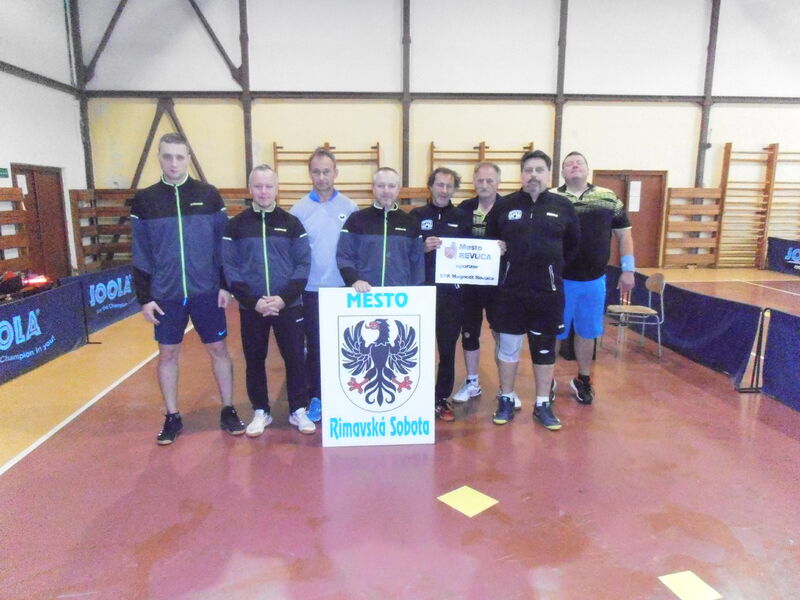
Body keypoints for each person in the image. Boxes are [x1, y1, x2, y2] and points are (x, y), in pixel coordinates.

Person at [131, 132, 244, 445]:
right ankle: (172, 415)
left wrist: (225, 285)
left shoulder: (208, 195)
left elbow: (223, 243)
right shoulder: (145, 200)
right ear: (159, 158)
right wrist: (144, 298)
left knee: (218, 349)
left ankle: (228, 408)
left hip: (206, 290)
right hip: (166, 294)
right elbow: (140, 251)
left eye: (179, 157)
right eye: (167, 156)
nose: (173, 163)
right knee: (168, 354)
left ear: (188, 159)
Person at [485, 150, 580, 431]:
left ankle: (542, 404)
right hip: (510, 294)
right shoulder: (504, 206)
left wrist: (550, 268)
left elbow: (572, 247)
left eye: (539, 170)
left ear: (548, 174)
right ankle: (506, 398)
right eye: (528, 170)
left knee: (544, 351)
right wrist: (497, 250)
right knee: (508, 349)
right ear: (521, 175)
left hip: (547, 294)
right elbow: (490, 243)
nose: (533, 175)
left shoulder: (563, 207)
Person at [222, 164, 315, 435]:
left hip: (288, 305)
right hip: (253, 307)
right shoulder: (235, 226)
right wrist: (254, 301)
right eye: (258, 186)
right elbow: (231, 268)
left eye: (268, 186)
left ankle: (298, 410)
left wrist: (283, 299)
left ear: (277, 189)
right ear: (250, 189)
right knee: (254, 359)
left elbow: (303, 265)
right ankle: (261, 411)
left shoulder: (292, 224)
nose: (263, 192)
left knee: (295, 358)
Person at [552, 151, 635, 405]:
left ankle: (584, 379)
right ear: (563, 172)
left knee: (587, 333)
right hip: (559, 280)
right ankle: (548, 380)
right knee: (553, 333)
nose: (574, 166)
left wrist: (628, 269)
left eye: (579, 162)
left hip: (593, 281)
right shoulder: (551, 198)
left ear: (587, 169)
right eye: (569, 163)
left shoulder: (608, 197)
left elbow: (624, 235)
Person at [290, 148, 358, 423]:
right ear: (310, 174)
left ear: (335, 173)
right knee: (316, 347)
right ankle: (316, 397)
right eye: (316, 172)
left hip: (343, 289)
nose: (321, 177)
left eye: (326, 171)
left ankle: (344, 396)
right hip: (311, 291)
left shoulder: (350, 208)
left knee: (346, 347)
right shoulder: (298, 210)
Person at [410, 167, 471, 421]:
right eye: (440, 185)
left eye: (449, 186)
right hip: (422, 294)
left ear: (454, 189)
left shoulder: (462, 217)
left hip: (451, 297)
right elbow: (405, 252)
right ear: (430, 186)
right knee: (418, 350)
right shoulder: (416, 215)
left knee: (447, 351)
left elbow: (473, 252)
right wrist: (421, 247)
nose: (444, 190)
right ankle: (416, 396)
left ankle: (440, 398)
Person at [452, 162, 505, 405]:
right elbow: (453, 240)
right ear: (474, 182)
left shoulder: (508, 208)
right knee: (469, 333)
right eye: (480, 180)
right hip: (469, 284)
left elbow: (520, 240)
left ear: (498, 183)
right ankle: (472, 382)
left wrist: (508, 246)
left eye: (489, 181)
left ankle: (506, 387)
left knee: (501, 334)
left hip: (499, 285)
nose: (484, 185)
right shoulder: (464, 208)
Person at [337, 167, 424, 290]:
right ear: (373, 188)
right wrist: (354, 280)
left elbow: (417, 264)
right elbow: (344, 255)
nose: (386, 191)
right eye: (381, 186)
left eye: (391, 186)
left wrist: (416, 291)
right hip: (364, 294)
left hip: (400, 296)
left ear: (398, 189)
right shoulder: (356, 219)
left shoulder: (410, 222)